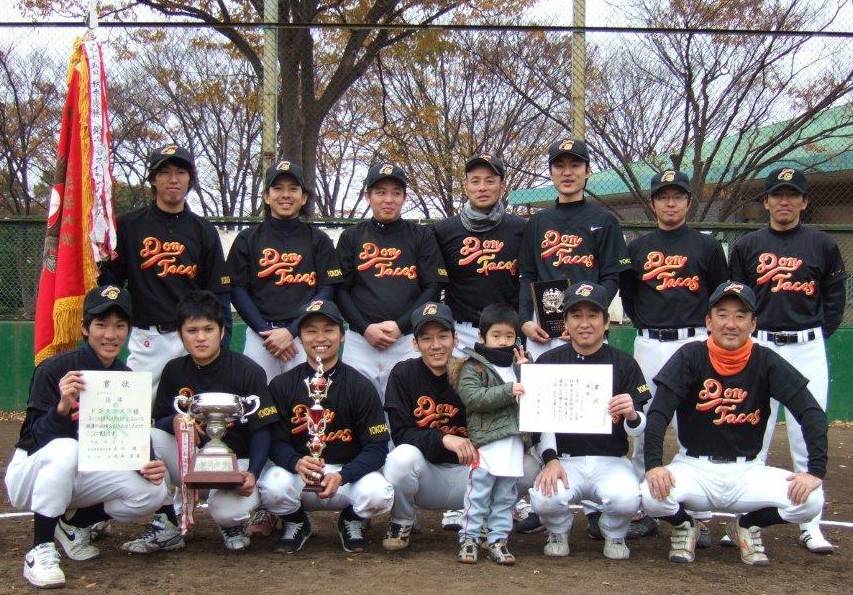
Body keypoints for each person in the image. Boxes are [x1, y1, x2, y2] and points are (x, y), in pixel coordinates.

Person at [641, 281, 828, 566]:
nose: (731, 324)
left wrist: (815, 471)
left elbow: (810, 412)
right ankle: (686, 525)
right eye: (722, 314)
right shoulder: (691, 356)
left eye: (741, 316)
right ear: (708, 321)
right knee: (649, 495)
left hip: (748, 473)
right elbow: (658, 413)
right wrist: (654, 465)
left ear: (753, 323)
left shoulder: (766, 360)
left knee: (812, 501)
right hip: (694, 469)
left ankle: (747, 524)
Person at [5, 286, 167, 589]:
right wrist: (62, 407)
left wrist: (149, 464)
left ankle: (72, 521)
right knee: (67, 449)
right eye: (101, 325)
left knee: (154, 491)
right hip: (31, 476)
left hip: (79, 478)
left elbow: (135, 442)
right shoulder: (55, 370)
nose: (111, 335)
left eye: (120, 326)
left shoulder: (127, 379)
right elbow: (34, 437)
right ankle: (40, 549)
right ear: (84, 328)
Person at [729, 167, 845, 554]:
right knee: (753, 433)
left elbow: (834, 297)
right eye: (777, 194)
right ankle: (745, 521)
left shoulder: (822, 244)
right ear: (765, 201)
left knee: (805, 431)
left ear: (804, 201)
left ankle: (810, 523)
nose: (784, 201)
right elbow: (736, 298)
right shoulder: (748, 245)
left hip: (805, 346)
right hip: (759, 345)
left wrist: (817, 333)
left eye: (792, 194)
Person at [121, 290, 278, 553]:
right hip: (191, 459)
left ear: (222, 331)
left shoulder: (247, 370)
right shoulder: (174, 370)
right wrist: (174, 421)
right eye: (192, 330)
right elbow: (161, 419)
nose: (201, 337)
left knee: (227, 512)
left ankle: (231, 525)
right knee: (149, 439)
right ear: (180, 334)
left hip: (236, 464)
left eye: (208, 329)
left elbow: (262, 431)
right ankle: (167, 521)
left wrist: (253, 472)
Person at [620, 169, 728, 542]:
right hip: (650, 342)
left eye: (677, 196)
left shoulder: (706, 247)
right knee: (643, 422)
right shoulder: (637, 248)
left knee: (693, 426)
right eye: (663, 197)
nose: (670, 203)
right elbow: (630, 297)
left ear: (688, 201)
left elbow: (719, 294)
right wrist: (647, 323)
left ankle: (697, 514)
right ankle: (642, 507)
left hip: (694, 340)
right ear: (653, 203)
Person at [432, 153, 537, 534]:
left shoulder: (520, 229)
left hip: (506, 333)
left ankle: (512, 494)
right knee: (464, 408)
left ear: (502, 186)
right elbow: (438, 283)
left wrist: (521, 325)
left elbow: (527, 279)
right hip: (463, 331)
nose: (482, 187)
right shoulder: (444, 230)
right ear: (465, 185)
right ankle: (462, 497)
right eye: (475, 180)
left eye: (490, 180)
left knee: (514, 406)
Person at [258, 299, 394, 554]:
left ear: (342, 336)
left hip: (347, 477)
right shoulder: (282, 385)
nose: (320, 338)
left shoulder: (360, 385)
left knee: (379, 493)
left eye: (329, 330)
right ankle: (296, 521)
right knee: (272, 486)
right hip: (300, 474)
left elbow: (377, 447)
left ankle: (352, 519)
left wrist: (344, 475)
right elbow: (274, 441)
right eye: (311, 331)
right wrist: (295, 462)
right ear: (299, 337)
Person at [529, 282, 650, 561]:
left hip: (611, 460)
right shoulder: (548, 361)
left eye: (593, 315)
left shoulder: (624, 363)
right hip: (565, 460)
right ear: (566, 322)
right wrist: (550, 460)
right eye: (576, 315)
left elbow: (639, 427)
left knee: (627, 498)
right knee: (545, 498)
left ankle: (614, 531)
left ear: (606, 322)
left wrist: (632, 414)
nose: (585, 323)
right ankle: (558, 530)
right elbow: (539, 423)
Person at [99, 144, 232, 395]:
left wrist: (222, 343)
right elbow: (110, 281)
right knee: (136, 405)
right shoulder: (129, 226)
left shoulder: (203, 230)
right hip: (148, 336)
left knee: (195, 408)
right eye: (164, 172)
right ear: (153, 179)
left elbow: (218, 293)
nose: (173, 179)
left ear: (190, 179)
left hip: (194, 335)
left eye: (181, 173)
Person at [336, 163, 448, 397]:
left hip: (406, 341)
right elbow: (340, 290)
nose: (388, 199)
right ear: (367, 196)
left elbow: (433, 287)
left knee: (408, 407)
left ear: (404, 197)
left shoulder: (421, 235)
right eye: (380, 192)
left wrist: (401, 326)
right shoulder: (351, 237)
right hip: (360, 342)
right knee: (358, 407)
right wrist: (365, 328)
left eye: (396, 193)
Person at [228, 159, 342, 383]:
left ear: (304, 197)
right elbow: (237, 290)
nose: (286, 195)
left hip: (303, 335)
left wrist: (291, 331)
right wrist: (267, 333)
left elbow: (327, 289)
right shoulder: (248, 238)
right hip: (261, 336)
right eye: (278, 188)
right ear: (266, 196)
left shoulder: (318, 239)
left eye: (293, 188)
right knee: (259, 398)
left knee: (307, 399)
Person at [518, 138, 631, 361]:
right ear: (551, 173)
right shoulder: (538, 221)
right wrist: (525, 320)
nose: (567, 172)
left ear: (588, 171)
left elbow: (612, 276)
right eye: (559, 166)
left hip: (587, 326)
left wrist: (591, 317)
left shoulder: (605, 220)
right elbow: (527, 275)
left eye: (575, 165)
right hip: (544, 328)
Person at [451, 303, 530, 566]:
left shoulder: (520, 365)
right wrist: (509, 390)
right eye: (496, 335)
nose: (503, 341)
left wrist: (527, 372)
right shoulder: (473, 366)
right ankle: (469, 538)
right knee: (478, 495)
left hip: (513, 443)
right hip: (485, 444)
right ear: (482, 336)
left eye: (509, 336)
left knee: (506, 498)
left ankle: (498, 540)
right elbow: (473, 398)